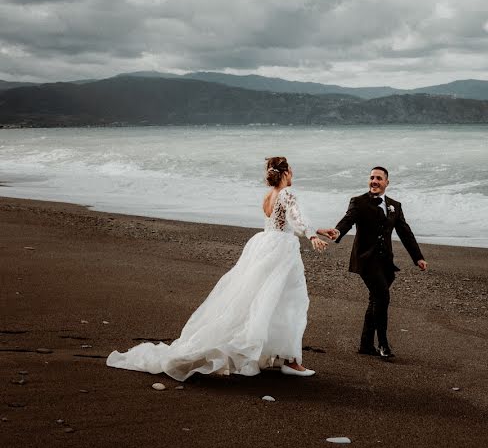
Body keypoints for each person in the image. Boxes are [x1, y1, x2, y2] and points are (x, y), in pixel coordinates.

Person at [107, 157, 336, 381]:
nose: (293, 174)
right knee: (290, 303)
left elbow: (284, 222)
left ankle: (280, 357)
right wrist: (312, 235)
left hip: (265, 246)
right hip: (281, 252)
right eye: (291, 171)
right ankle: (290, 361)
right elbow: (296, 218)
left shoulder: (269, 196)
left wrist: (319, 230)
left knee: (264, 302)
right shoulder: (287, 193)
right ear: (285, 173)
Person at [331, 166, 427, 359]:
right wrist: (337, 232)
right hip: (366, 260)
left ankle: (366, 345)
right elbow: (348, 221)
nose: (374, 181)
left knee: (375, 299)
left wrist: (418, 257)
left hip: (386, 263)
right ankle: (383, 344)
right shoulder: (358, 202)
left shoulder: (394, 206)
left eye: (378, 178)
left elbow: (405, 232)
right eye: (371, 178)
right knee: (382, 298)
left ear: (386, 182)